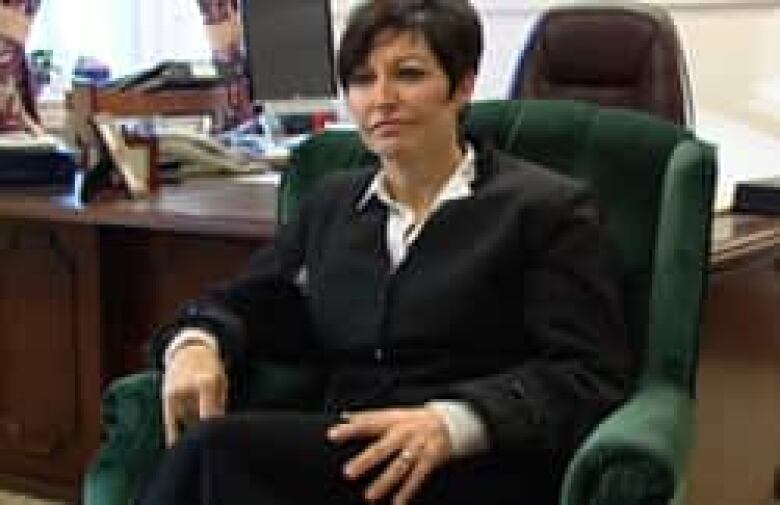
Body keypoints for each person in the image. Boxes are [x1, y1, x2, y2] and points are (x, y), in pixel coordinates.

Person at [139, 0, 633, 504]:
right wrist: (198, 342)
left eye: (409, 75)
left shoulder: (545, 208)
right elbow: (253, 299)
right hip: (351, 452)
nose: (382, 99)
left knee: (213, 453)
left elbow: (591, 374)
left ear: (462, 86)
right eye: (362, 80)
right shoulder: (334, 203)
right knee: (214, 457)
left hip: (472, 463)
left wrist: (455, 422)